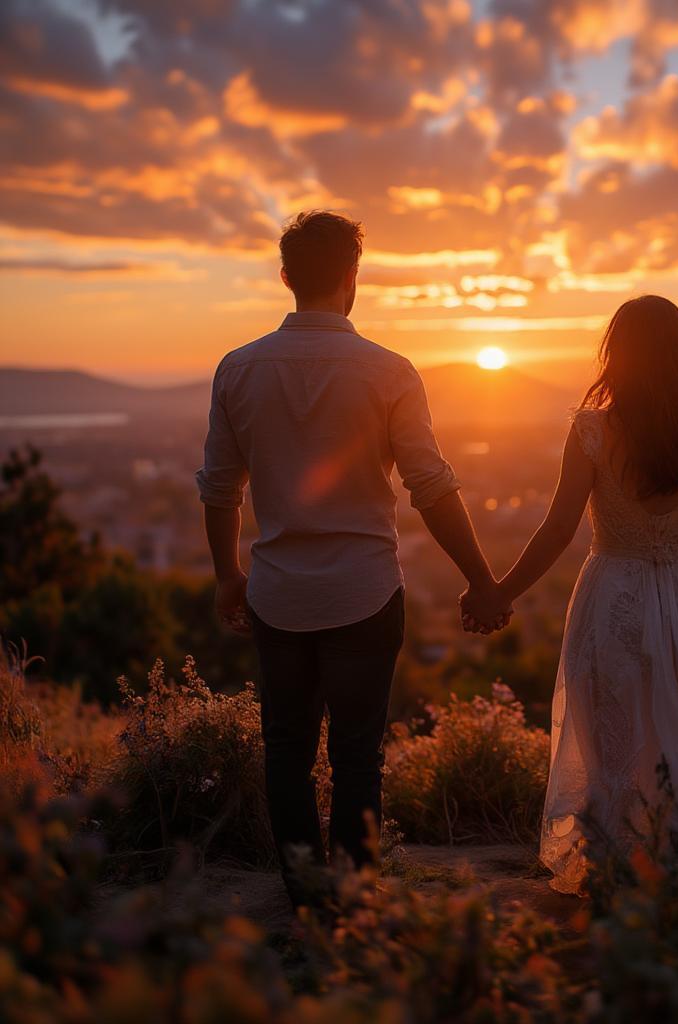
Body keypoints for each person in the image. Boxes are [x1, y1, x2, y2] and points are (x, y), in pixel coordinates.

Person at [197, 210, 509, 906]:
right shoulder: (390, 372)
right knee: (358, 756)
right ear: (352, 277)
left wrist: (227, 575)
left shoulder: (238, 369)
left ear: (285, 278)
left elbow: (220, 487)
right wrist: (482, 581)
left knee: (287, 751)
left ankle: (306, 898)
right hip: (366, 593)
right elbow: (430, 486)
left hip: (276, 593)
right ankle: (356, 902)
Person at [462, 295, 678, 894]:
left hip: (614, 601)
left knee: (613, 755)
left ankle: (615, 879)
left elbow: (559, 529)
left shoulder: (592, 430)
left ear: (618, 355)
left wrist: (498, 593)